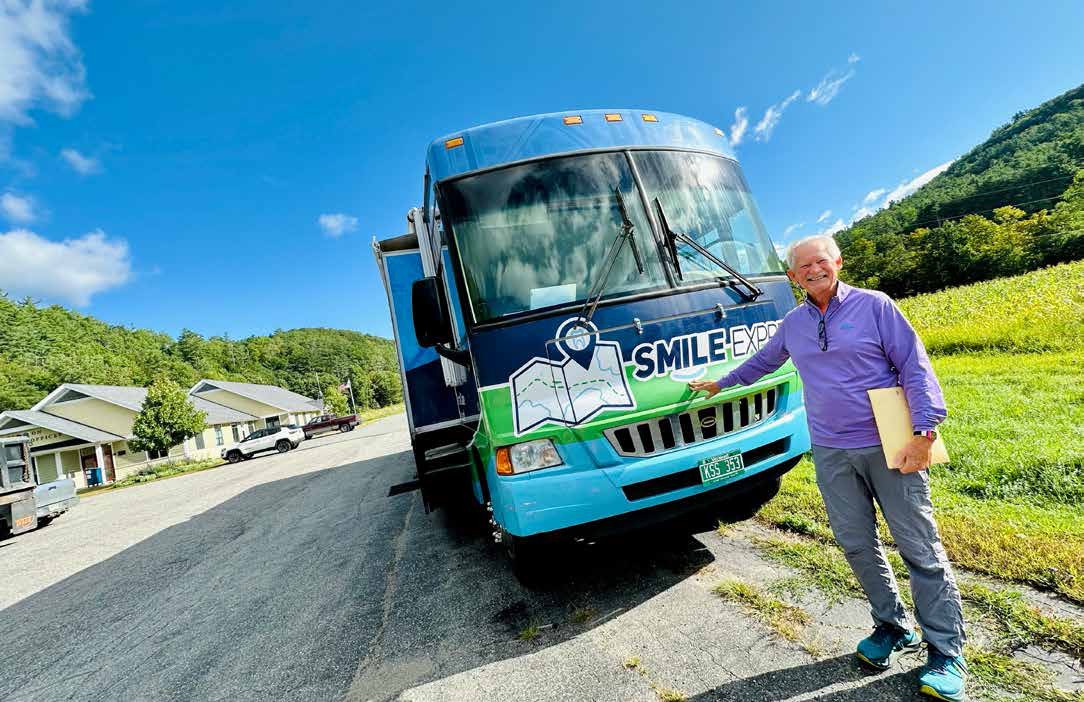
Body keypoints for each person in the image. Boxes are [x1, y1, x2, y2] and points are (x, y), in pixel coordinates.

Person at [689, 234, 967, 701]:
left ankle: (945, 652)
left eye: (821, 261)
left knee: (919, 548)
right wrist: (721, 383)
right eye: (803, 267)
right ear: (793, 277)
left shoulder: (875, 306)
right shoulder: (793, 323)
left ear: (837, 262)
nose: (813, 270)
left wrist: (924, 433)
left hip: (890, 445)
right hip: (831, 451)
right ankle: (892, 625)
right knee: (856, 543)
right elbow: (764, 362)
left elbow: (914, 367)